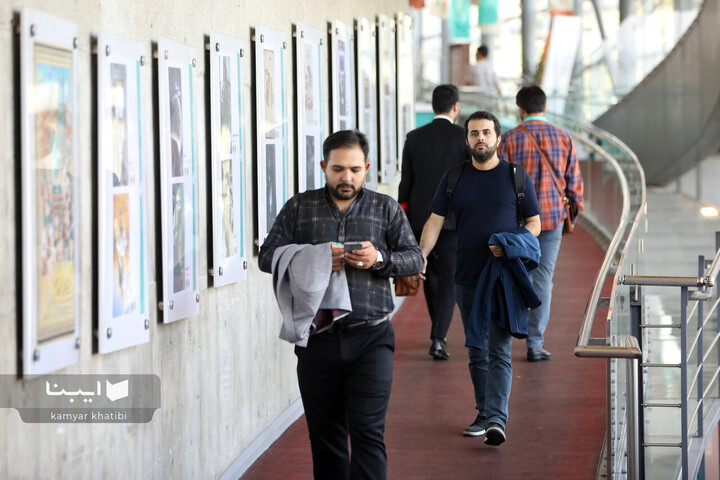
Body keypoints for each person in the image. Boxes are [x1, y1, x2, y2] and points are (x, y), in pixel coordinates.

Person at [258, 130, 423, 479]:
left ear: (365, 167)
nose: (346, 177)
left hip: (372, 337)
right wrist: (313, 258)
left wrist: (379, 258)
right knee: (326, 439)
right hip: (317, 338)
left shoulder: (385, 207)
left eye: (353, 169)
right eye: (337, 169)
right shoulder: (300, 207)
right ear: (323, 166)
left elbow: (414, 259)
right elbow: (267, 256)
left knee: (368, 432)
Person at [419, 111, 541, 446]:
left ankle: (496, 419)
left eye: (486, 133)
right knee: (475, 348)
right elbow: (434, 220)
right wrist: (422, 254)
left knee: (498, 347)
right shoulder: (455, 177)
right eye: (474, 134)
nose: (480, 139)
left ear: (498, 138)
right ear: (467, 139)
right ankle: (484, 412)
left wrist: (511, 244)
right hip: (466, 277)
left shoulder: (516, 177)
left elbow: (535, 223)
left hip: (502, 276)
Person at [498, 85, 584, 362]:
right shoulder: (563, 137)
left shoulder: (509, 139)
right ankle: (535, 343)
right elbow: (575, 185)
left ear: (520, 109)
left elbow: (499, 182)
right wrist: (571, 211)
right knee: (544, 278)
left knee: (514, 276)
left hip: (518, 221)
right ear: (544, 107)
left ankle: (508, 339)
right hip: (552, 219)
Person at [398, 84, 469, 360]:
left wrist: (403, 220)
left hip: (419, 217)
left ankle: (438, 331)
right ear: (456, 106)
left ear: (432, 106)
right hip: (452, 219)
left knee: (427, 275)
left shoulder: (414, 137)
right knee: (449, 277)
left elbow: (406, 183)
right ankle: (438, 336)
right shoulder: (463, 137)